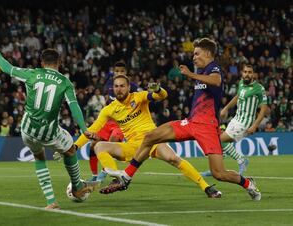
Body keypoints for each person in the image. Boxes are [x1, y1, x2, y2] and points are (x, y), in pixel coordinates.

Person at [105, 38, 261, 201]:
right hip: (191, 122)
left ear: (207, 54)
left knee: (219, 174)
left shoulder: (213, 67)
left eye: (196, 54)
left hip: (207, 127)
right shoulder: (201, 72)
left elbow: (216, 81)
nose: (193, 57)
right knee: (151, 137)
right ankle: (127, 177)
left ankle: (248, 183)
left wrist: (189, 74)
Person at [74, 66, 221, 198]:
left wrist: (158, 89)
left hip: (153, 141)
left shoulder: (139, 97)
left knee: (174, 159)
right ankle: (118, 177)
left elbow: (161, 96)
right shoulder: (109, 109)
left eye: (122, 86)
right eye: (116, 86)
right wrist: (74, 147)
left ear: (128, 87)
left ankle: (206, 187)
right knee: (99, 146)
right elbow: (93, 129)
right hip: (133, 147)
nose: (119, 89)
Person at [0, 47, 98, 209]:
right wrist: (84, 129)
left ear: (42, 63)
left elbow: (8, 68)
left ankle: (51, 201)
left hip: (27, 129)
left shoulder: (32, 74)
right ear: (59, 63)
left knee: (39, 157)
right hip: (49, 132)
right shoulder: (65, 83)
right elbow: (74, 106)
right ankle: (77, 187)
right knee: (71, 151)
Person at [201, 64, 268, 176]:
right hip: (236, 119)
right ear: (242, 73)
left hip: (245, 122)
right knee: (219, 143)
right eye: (245, 72)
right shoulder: (241, 83)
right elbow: (237, 97)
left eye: (249, 72)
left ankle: (241, 160)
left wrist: (255, 125)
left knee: (219, 140)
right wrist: (226, 108)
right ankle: (216, 169)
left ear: (253, 74)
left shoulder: (259, 89)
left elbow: (263, 110)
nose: (247, 74)